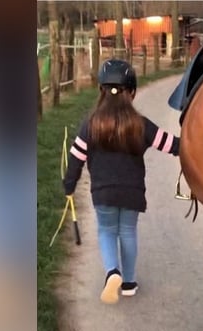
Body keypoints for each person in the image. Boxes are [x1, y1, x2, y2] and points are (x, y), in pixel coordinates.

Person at [63, 59, 180, 304]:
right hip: (132, 193)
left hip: (103, 192)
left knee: (106, 230)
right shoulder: (141, 125)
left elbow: (76, 157)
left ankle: (111, 272)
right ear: (133, 92)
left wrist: (69, 185)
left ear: (100, 91)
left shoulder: (91, 124)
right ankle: (128, 282)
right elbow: (172, 145)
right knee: (128, 232)